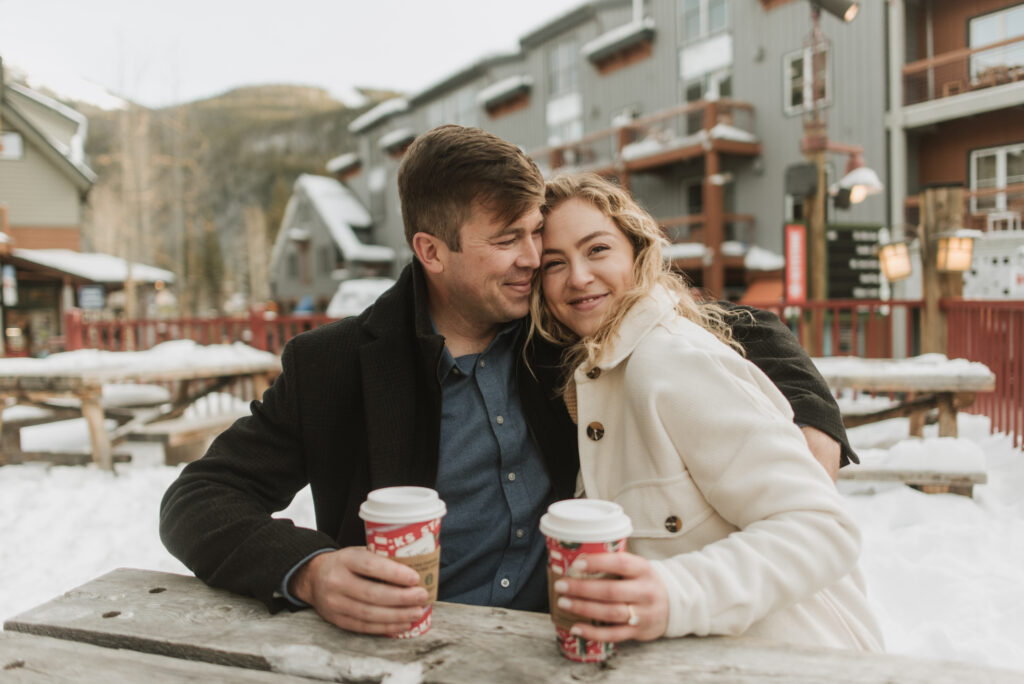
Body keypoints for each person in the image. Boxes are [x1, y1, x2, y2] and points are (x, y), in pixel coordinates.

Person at [159, 125, 855, 637]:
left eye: (535, 236)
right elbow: (199, 498)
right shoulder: (335, 366)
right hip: (411, 653)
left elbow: (716, 318)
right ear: (431, 251)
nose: (536, 261)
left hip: (564, 649)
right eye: (508, 241)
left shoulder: (559, 323)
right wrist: (310, 570)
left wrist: (811, 421)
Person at [530, 172, 883, 650]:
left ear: (637, 253)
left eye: (597, 250)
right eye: (555, 263)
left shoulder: (669, 361)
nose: (578, 276)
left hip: (804, 661)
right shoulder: (595, 376)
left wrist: (673, 594)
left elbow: (822, 528)